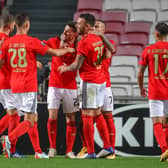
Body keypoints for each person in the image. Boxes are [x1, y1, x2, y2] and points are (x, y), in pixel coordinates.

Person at [0, 13, 75, 158]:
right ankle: (9, 139)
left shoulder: (7, 43)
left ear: (15, 25)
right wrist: (68, 50)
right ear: (27, 25)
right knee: (30, 119)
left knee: (23, 117)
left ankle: (37, 152)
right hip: (28, 85)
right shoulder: (31, 41)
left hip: (14, 85)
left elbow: (2, 63)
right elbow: (54, 52)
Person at [58, 13, 114, 159]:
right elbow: (110, 53)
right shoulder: (98, 38)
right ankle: (107, 147)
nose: (77, 26)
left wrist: (65, 68)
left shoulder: (84, 42)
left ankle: (90, 152)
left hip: (89, 81)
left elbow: (76, 65)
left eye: (79, 24)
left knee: (87, 116)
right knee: (97, 113)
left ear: (87, 26)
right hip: (101, 80)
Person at [77, 19, 116, 159]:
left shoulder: (108, 43)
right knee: (89, 116)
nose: (95, 28)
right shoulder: (90, 41)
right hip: (98, 82)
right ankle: (89, 147)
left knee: (107, 117)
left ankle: (111, 150)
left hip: (103, 85)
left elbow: (108, 54)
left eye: (98, 27)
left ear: (104, 30)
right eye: (94, 26)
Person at [43, 21, 78, 158]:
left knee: (71, 119)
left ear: (74, 33)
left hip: (70, 86)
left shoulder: (78, 44)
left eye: (68, 31)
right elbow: (41, 47)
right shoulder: (54, 41)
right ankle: (52, 148)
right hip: (54, 85)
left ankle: (69, 151)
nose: (65, 33)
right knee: (52, 117)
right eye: (64, 30)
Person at [138, 22, 168, 162]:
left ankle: (165, 150)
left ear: (156, 34)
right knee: (166, 122)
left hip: (155, 91)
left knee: (156, 122)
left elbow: (140, 73)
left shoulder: (148, 50)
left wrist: (141, 87)